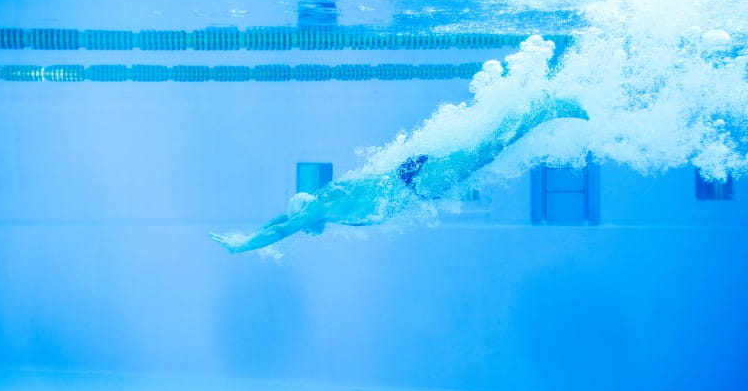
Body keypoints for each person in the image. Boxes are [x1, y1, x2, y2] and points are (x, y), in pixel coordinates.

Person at [210, 93, 587, 253]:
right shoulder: (325, 201)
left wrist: (243, 246)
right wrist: (251, 232)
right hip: (410, 177)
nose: (307, 232)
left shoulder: (319, 209)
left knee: (487, 152)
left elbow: (282, 229)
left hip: (418, 182)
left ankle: (544, 109)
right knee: (483, 152)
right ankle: (530, 108)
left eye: (305, 226)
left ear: (304, 212)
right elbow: (281, 220)